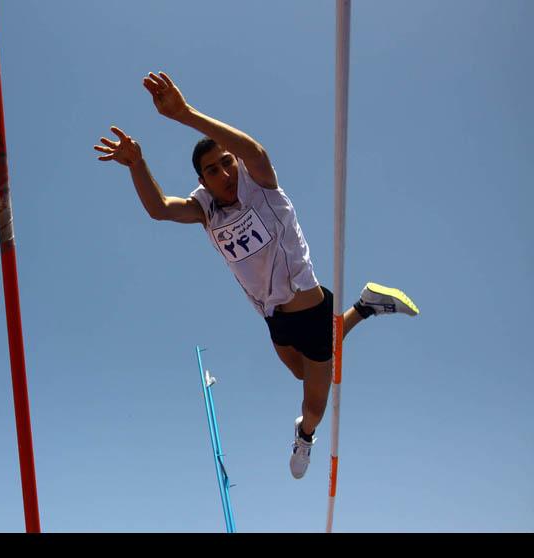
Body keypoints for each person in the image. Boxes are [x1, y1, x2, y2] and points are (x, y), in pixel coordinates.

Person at [94, 71, 419, 479]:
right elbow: (159, 208)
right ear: (202, 181)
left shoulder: (259, 181)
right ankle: (364, 306)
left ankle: (305, 435)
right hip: (273, 318)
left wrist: (185, 114)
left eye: (226, 163)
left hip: (310, 309)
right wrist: (137, 164)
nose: (224, 175)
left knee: (313, 406)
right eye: (212, 171)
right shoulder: (205, 210)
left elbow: (253, 149)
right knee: (302, 371)